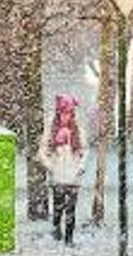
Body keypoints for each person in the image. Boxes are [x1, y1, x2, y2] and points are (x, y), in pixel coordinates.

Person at [38, 93, 86, 245]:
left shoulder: (78, 128)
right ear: (59, 113)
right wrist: (51, 166)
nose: (67, 116)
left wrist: (81, 166)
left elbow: (85, 149)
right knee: (58, 207)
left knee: (71, 209)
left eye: (69, 113)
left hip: (73, 175)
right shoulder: (51, 128)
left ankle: (69, 238)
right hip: (58, 174)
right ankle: (57, 227)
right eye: (64, 113)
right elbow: (42, 151)